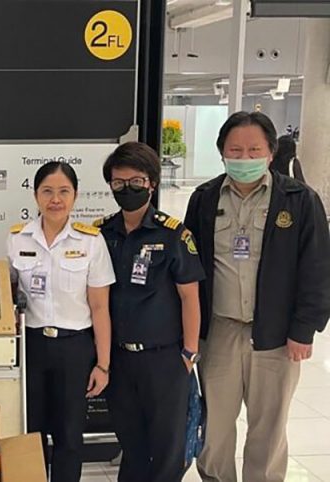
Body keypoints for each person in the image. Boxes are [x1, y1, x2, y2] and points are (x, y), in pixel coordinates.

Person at [184, 111, 330, 482]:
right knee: (215, 428)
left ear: (270, 152)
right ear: (222, 152)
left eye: (254, 150)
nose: (244, 158)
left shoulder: (299, 200)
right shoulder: (204, 199)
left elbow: (317, 267)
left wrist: (304, 329)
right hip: (219, 331)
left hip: (276, 336)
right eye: (235, 150)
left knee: (269, 427)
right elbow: (188, 267)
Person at [94, 141, 204, 482]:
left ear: (152, 183)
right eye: (119, 183)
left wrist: (189, 353)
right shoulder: (100, 234)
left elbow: (190, 297)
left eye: (136, 182)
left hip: (164, 359)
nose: (127, 189)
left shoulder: (173, 235)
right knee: (132, 445)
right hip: (119, 360)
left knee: (167, 450)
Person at [7, 161, 114, 481]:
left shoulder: (90, 241)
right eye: (48, 191)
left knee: (69, 434)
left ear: (75, 196)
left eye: (64, 191)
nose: (56, 199)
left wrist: (103, 365)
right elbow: (9, 293)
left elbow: (100, 307)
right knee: (31, 432)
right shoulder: (18, 238)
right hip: (32, 346)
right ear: (36, 195)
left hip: (74, 348)